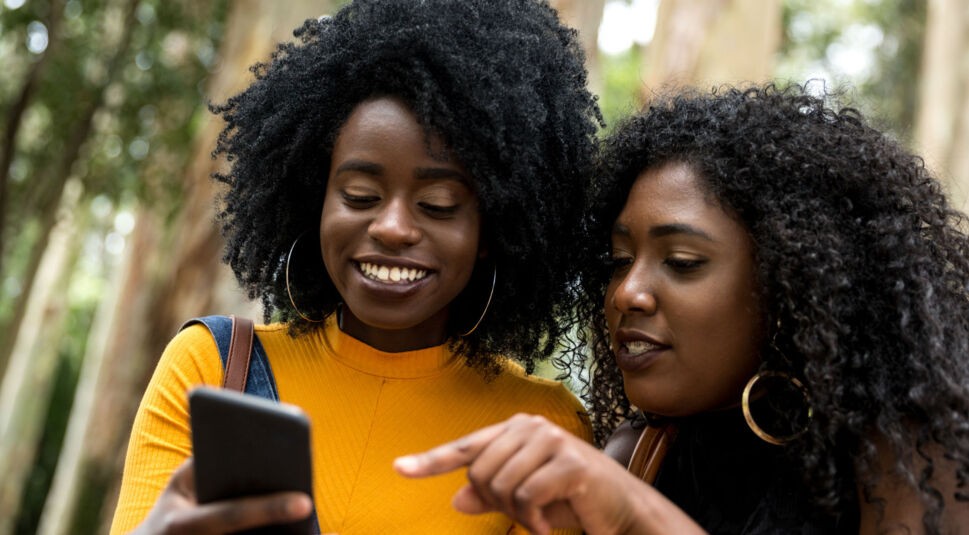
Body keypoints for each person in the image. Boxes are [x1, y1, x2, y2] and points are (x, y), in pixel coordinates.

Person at [109, 0, 602, 532]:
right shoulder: (210, 367)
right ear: (314, 199)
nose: (392, 227)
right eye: (360, 195)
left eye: (437, 204)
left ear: (492, 230)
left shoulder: (545, 431)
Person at [395, 83, 969, 534]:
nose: (627, 292)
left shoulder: (909, 449)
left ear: (789, 283)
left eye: (683, 261)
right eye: (619, 260)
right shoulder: (637, 455)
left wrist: (636, 515)